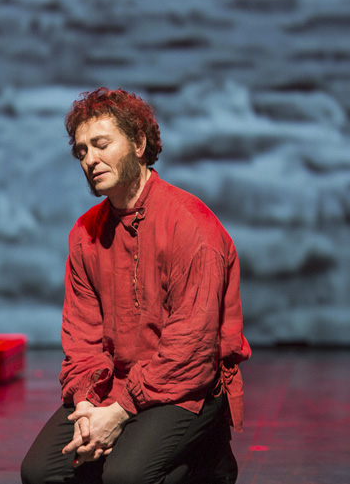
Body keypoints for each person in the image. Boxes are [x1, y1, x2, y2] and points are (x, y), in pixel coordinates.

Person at [21, 88, 251, 484]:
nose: (90, 159)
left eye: (101, 144)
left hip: (188, 385)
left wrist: (120, 412)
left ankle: (205, 460)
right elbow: (82, 338)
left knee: (125, 476)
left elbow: (190, 348)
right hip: (118, 384)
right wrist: (86, 405)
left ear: (139, 144)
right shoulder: (85, 233)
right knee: (41, 472)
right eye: (81, 151)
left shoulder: (190, 226)